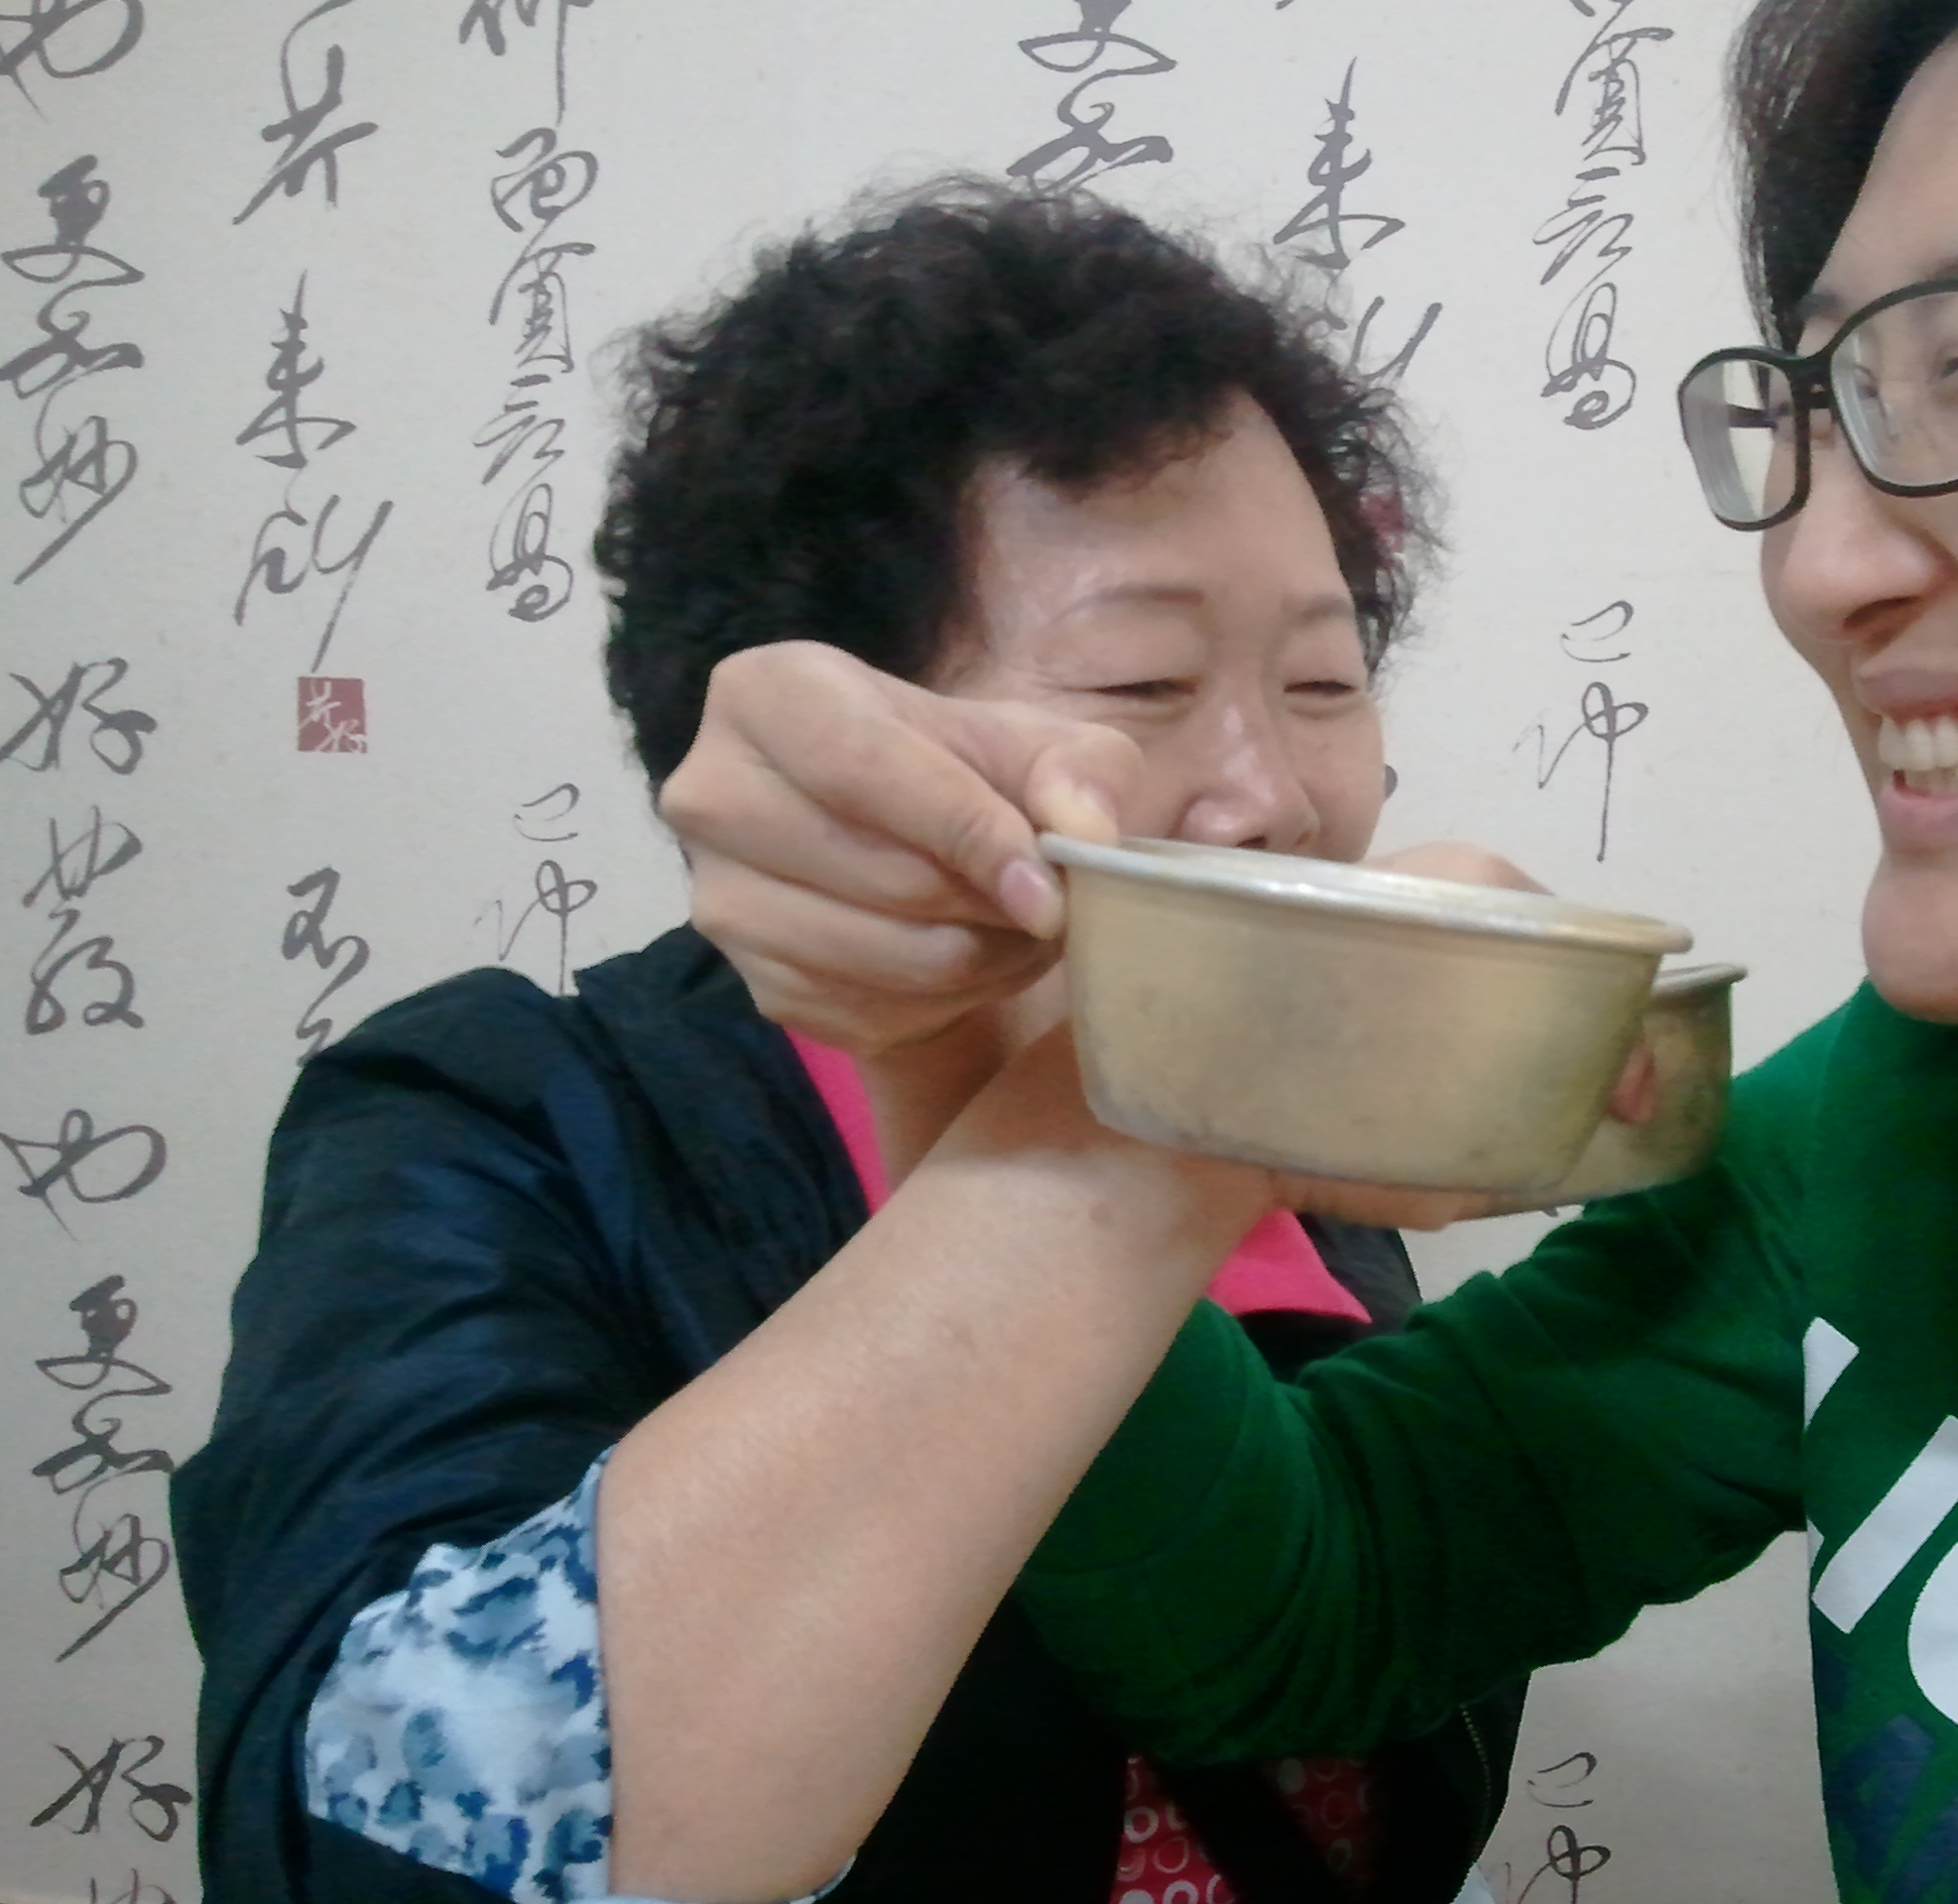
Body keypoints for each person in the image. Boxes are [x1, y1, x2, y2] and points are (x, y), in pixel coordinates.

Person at [649, 1, 1958, 1899]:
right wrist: (991, 1035)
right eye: (1828, 405)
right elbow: (1308, 1601)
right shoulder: (1924, 1126)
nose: (1822, 565)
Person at [170, 183, 1527, 1904]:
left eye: (1323, 685)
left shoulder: (1316, 1185)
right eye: (1142, 682)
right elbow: (363, 1845)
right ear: (829, 730)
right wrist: (1133, 1144)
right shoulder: (500, 1118)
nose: (1273, 795)